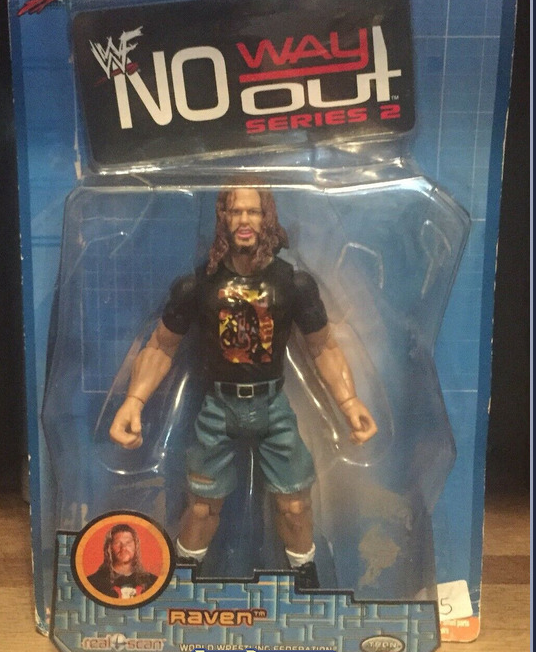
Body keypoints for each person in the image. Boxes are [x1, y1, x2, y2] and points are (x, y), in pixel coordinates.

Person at [110, 186, 378, 589]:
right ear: (223, 218)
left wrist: (349, 401)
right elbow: (161, 346)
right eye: (236, 212)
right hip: (219, 407)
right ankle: (182, 579)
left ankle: (305, 579)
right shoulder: (199, 285)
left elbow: (323, 345)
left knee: (295, 506)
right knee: (201, 509)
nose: (245, 221)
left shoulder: (293, 283)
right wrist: (133, 401)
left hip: (272, 406)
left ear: (267, 218)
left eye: (254, 212)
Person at [87, 523, 158, 599]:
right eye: (117, 543)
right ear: (109, 547)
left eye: (128, 543)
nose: (123, 548)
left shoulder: (153, 583)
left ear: (136, 546)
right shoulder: (93, 583)